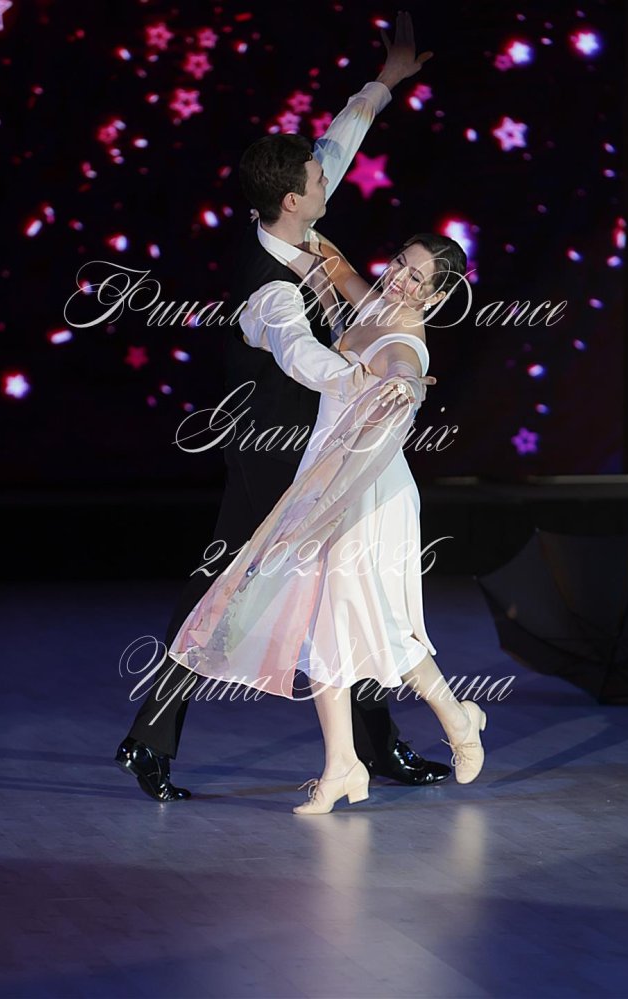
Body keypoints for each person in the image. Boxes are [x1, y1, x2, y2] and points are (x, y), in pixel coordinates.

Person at [115, 13, 452, 802]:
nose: (329, 178)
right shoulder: (269, 290)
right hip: (273, 449)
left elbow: (336, 143)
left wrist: (384, 82)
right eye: (317, 180)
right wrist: (370, 378)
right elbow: (303, 357)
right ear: (296, 199)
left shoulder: (287, 213)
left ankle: (373, 747)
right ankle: (151, 738)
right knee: (232, 585)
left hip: (321, 440)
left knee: (346, 582)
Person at [167, 229, 489, 815]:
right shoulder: (372, 303)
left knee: (374, 622)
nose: (400, 278)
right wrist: (287, 224)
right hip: (326, 481)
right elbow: (332, 266)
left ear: (435, 297)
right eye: (401, 262)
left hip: (368, 493)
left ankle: (457, 723)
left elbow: (402, 367)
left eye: (416, 278)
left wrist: (405, 384)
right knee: (327, 625)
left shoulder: (405, 341)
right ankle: (345, 763)